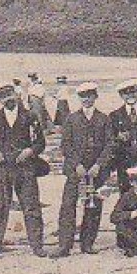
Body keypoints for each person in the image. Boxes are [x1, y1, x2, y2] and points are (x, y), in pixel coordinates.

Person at [0, 81, 48, 259]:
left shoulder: (30, 116)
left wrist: (30, 151)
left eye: (9, 94)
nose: (7, 99)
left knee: (31, 207)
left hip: (25, 169)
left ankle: (37, 246)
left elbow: (40, 142)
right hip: (1, 169)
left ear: (16, 95)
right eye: (2, 97)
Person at [51, 82, 114, 257]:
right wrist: (76, 164)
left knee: (93, 207)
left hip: (96, 171)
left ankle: (87, 243)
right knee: (68, 206)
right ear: (79, 98)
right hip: (75, 171)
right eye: (83, 96)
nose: (86, 99)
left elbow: (110, 144)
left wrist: (98, 165)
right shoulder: (71, 119)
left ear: (95, 97)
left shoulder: (104, 119)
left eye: (90, 95)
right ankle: (65, 245)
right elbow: (66, 145)